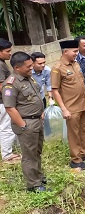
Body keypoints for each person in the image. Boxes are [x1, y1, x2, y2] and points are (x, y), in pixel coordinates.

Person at [2, 52, 47, 192]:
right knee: (29, 155)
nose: (31, 68)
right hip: (26, 123)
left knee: (37, 151)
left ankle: (38, 176)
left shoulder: (28, 78)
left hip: (37, 120)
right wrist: (23, 125)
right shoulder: (11, 84)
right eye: (28, 66)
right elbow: (10, 108)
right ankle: (33, 185)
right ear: (17, 68)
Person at [51, 40, 85, 170]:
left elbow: (82, 83)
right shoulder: (58, 68)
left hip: (83, 103)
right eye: (75, 51)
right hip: (71, 107)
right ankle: (76, 159)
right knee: (74, 133)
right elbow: (55, 90)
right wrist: (63, 108)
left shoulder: (76, 64)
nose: (77, 54)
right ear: (65, 51)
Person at [0, 38, 20, 164]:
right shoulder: (0, 65)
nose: (10, 53)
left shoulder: (2, 63)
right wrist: (11, 97)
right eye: (7, 51)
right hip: (3, 102)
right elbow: (1, 86)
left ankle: (9, 150)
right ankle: (7, 155)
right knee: (6, 127)